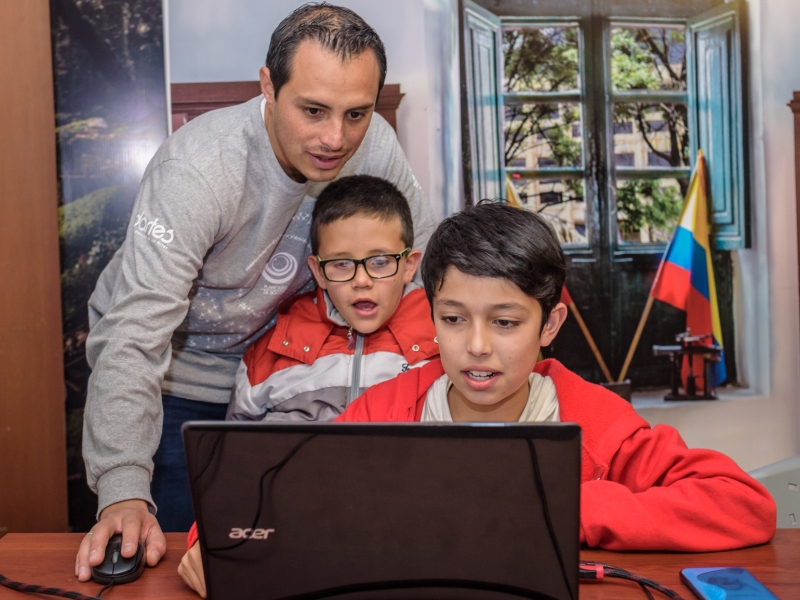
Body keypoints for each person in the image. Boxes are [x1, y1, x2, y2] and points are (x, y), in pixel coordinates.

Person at [75, 3, 436, 582]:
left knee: (287, 563)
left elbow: (424, 271)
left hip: (279, 378)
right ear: (267, 85)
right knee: (172, 565)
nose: (334, 138)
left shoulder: (375, 146)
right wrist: (120, 488)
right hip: (174, 379)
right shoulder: (200, 168)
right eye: (312, 110)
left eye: (356, 114)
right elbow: (133, 336)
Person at [336, 201, 776, 551]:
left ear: (549, 325)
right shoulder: (381, 413)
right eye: (453, 319)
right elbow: (301, 503)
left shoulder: (598, 424)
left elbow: (744, 505)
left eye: (505, 323)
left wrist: (569, 509)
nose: (476, 345)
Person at [177, 174, 438, 598]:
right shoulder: (272, 353)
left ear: (409, 264)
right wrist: (204, 542)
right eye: (341, 263)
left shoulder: (446, 345)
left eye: (379, 261)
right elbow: (233, 475)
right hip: (295, 550)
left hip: (415, 549)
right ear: (316, 270)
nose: (361, 281)